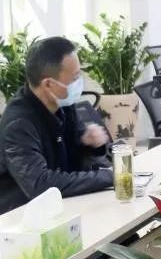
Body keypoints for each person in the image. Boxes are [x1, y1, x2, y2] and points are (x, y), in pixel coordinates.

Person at [0, 37, 112, 214]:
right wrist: (109, 177)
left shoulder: (63, 104)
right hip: (22, 216)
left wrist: (92, 145)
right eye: (75, 77)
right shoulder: (18, 124)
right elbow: (40, 184)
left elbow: (78, 158)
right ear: (48, 84)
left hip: (63, 205)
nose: (79, 82)